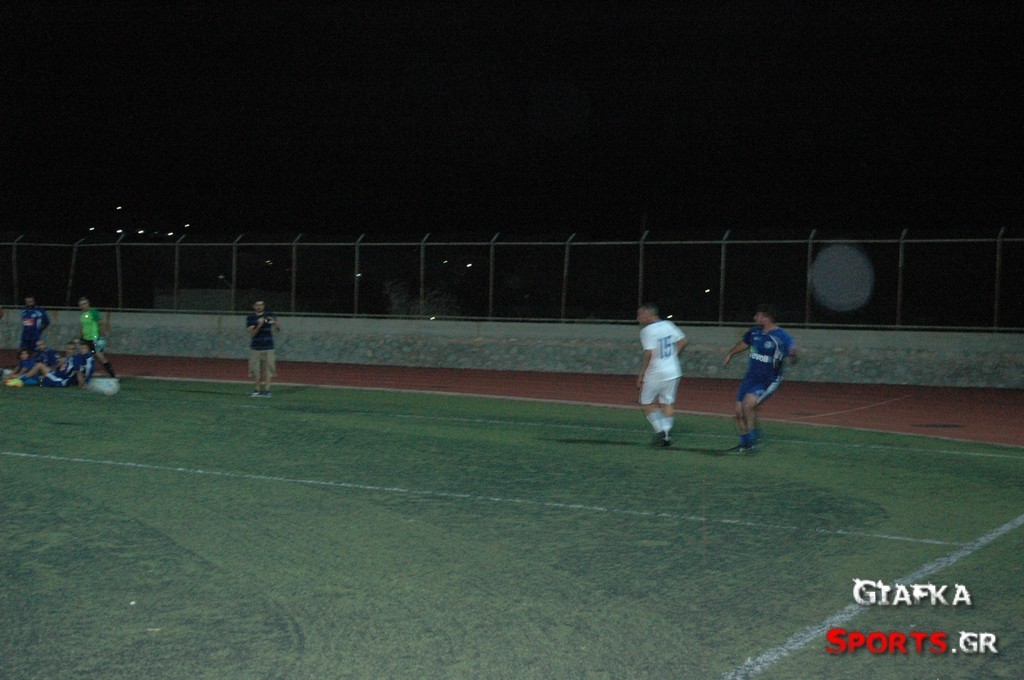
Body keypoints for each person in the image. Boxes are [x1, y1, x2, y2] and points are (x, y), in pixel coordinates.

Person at [722, 303, 798, 452]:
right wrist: (730, 354)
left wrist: (793, 355)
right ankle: (744, 443)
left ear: (766, 318)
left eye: (757, 315)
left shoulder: (781, 336)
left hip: (768, 379)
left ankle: (752, 441)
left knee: (748, 405)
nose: (754, 318)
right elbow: (744, 343)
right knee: (738, 412)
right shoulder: (754, 332)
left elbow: (792, 354)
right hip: (750, 377)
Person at [636, 303, 688, 446]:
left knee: (646, 402)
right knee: (667, 402)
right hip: (673, 370)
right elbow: (683, 341)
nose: (638, 318)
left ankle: (660, 431)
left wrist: (642, 373)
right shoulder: (668, 324)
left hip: (656, 372)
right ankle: (666, 434)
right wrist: (673, 355)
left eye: (640, 315)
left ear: (648, 315)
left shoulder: (647, 331)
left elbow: (649, 353)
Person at [18, 342, 96, 388]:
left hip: (60, 381)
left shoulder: (76, 358)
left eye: (71, 349)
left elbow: (78, 372)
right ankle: (20, 380)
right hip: (57, 376)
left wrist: (82, 384)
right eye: (68, 349)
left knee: (39, 367)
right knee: (38, 374)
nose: (68, 351)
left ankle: (20, 381)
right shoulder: (70, 359)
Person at [246, 300, 281, 397]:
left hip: (269, 347)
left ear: (264, 306)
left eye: (261, 305)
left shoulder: (269, 315)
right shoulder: (251, 317)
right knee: (255, 370)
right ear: (254, 306)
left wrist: (275, 322)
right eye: (257, 305)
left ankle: (267, 390)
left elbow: (278, 329)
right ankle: (257, 390)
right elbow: (252, 333)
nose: (259, 306)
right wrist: (259, 325)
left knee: (269, 369)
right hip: (255, 347)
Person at [78, 297, 116, 377]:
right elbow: (82, 326)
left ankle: (112, 374)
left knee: (100, 356)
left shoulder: (93, 312)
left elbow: (100, 322)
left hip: (94, 338)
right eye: (81, 304)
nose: (83, 306)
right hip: (85, 339)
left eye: (84, 304)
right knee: (84, 355)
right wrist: (80, 337)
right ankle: (84, 374)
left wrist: (103, 332)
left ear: (88, 304)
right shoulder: (82, 314)